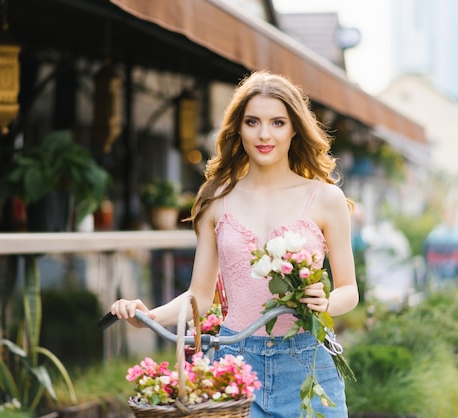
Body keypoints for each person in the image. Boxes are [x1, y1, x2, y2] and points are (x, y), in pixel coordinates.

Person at [111, 71, 359, 417]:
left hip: (308, 366)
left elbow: (349, 290)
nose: (264, 134)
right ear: (238, 129)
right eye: (252, 122)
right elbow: (199, 294)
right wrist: (147, 317)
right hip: (234, 368)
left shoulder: (325, 198)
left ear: (294, 129)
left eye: (277, 122)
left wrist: (325, 301)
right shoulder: (216, 199)